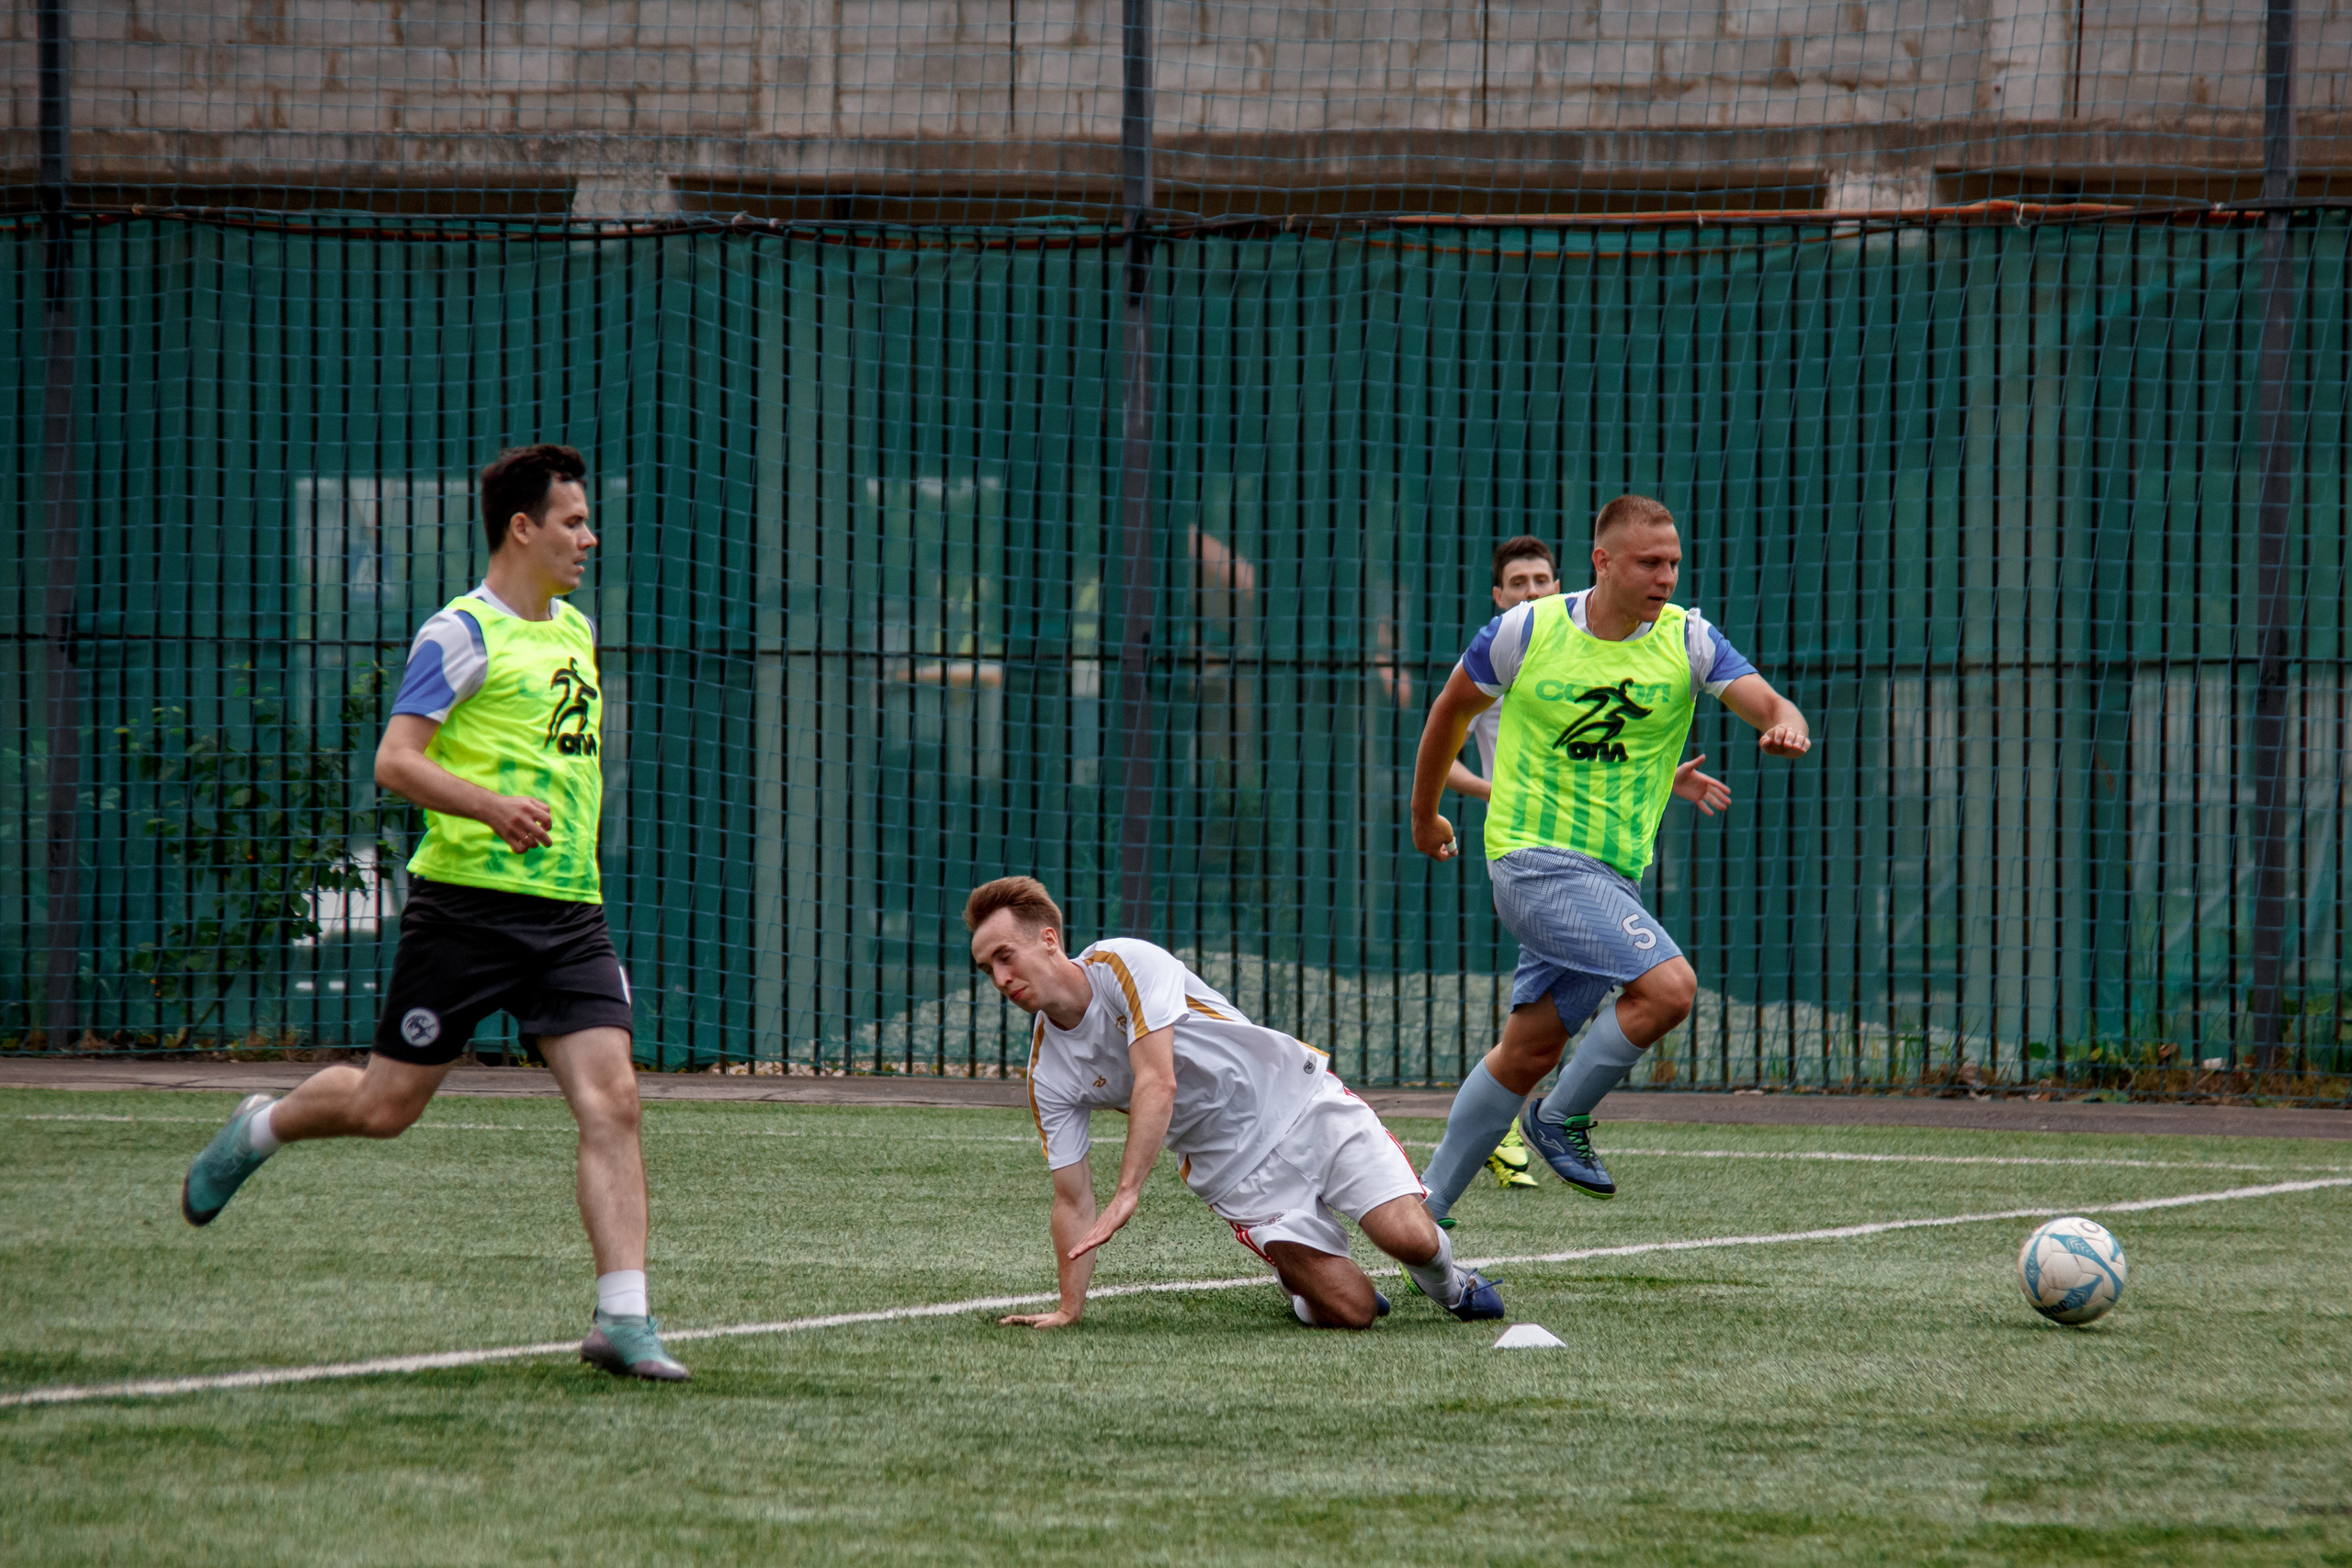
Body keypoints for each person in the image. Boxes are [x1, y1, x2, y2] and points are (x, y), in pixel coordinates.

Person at [177, 444, 687, 1382]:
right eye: (572, 521)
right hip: (465, 912)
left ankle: (623, 1317)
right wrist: (490, 807)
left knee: (613, 1101)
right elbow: (395, 760)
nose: (589, 536)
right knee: (384, 1107)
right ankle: (263, 1124)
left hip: (570, 914)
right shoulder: (459, 634)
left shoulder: (574, 630)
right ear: (521, 528)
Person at [1408, 494, 1811, 1224]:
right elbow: (1450, 712)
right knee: (1669, 988)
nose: (1666, 576)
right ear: (1602, 562)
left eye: (1674, 563)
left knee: (1525, 1052)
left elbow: (1772, 703)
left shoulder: (1689, 639)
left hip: (1609, 881)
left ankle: (1420, 1211)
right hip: (1530, 862)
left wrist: (1785, 725)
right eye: (1649, 563)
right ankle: (1559, 1120)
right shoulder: (1525, 629)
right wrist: (1425, 813)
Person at [966, 876, 1504, 1330]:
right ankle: (1299, 1281)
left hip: (1300, 1101)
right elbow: (1071, 1198)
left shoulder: (1123, 962)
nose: (1000, 978)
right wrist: (1068, 1308)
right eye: (988, 968)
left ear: (1049, 940)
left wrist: (1128, 1191)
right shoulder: (1047, 1072)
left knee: (1411, 1240)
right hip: (1235, 1172)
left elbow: (1159, 1080)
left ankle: (1450, 1286)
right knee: (1353, 1312)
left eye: (1005, 956)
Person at [1440, 536, 1566, 1195]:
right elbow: (1445, 757)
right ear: (1498, 595)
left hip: (1589, 847)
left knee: (1562, 993)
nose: (1531, 591)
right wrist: (1499, 793)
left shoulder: (1577, 658)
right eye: (1518, 582)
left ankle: (1514, 1117)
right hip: (1525, 850)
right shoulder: (1493, 667)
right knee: (1578, 987)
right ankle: (1521, 1119)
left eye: (1541, 580)